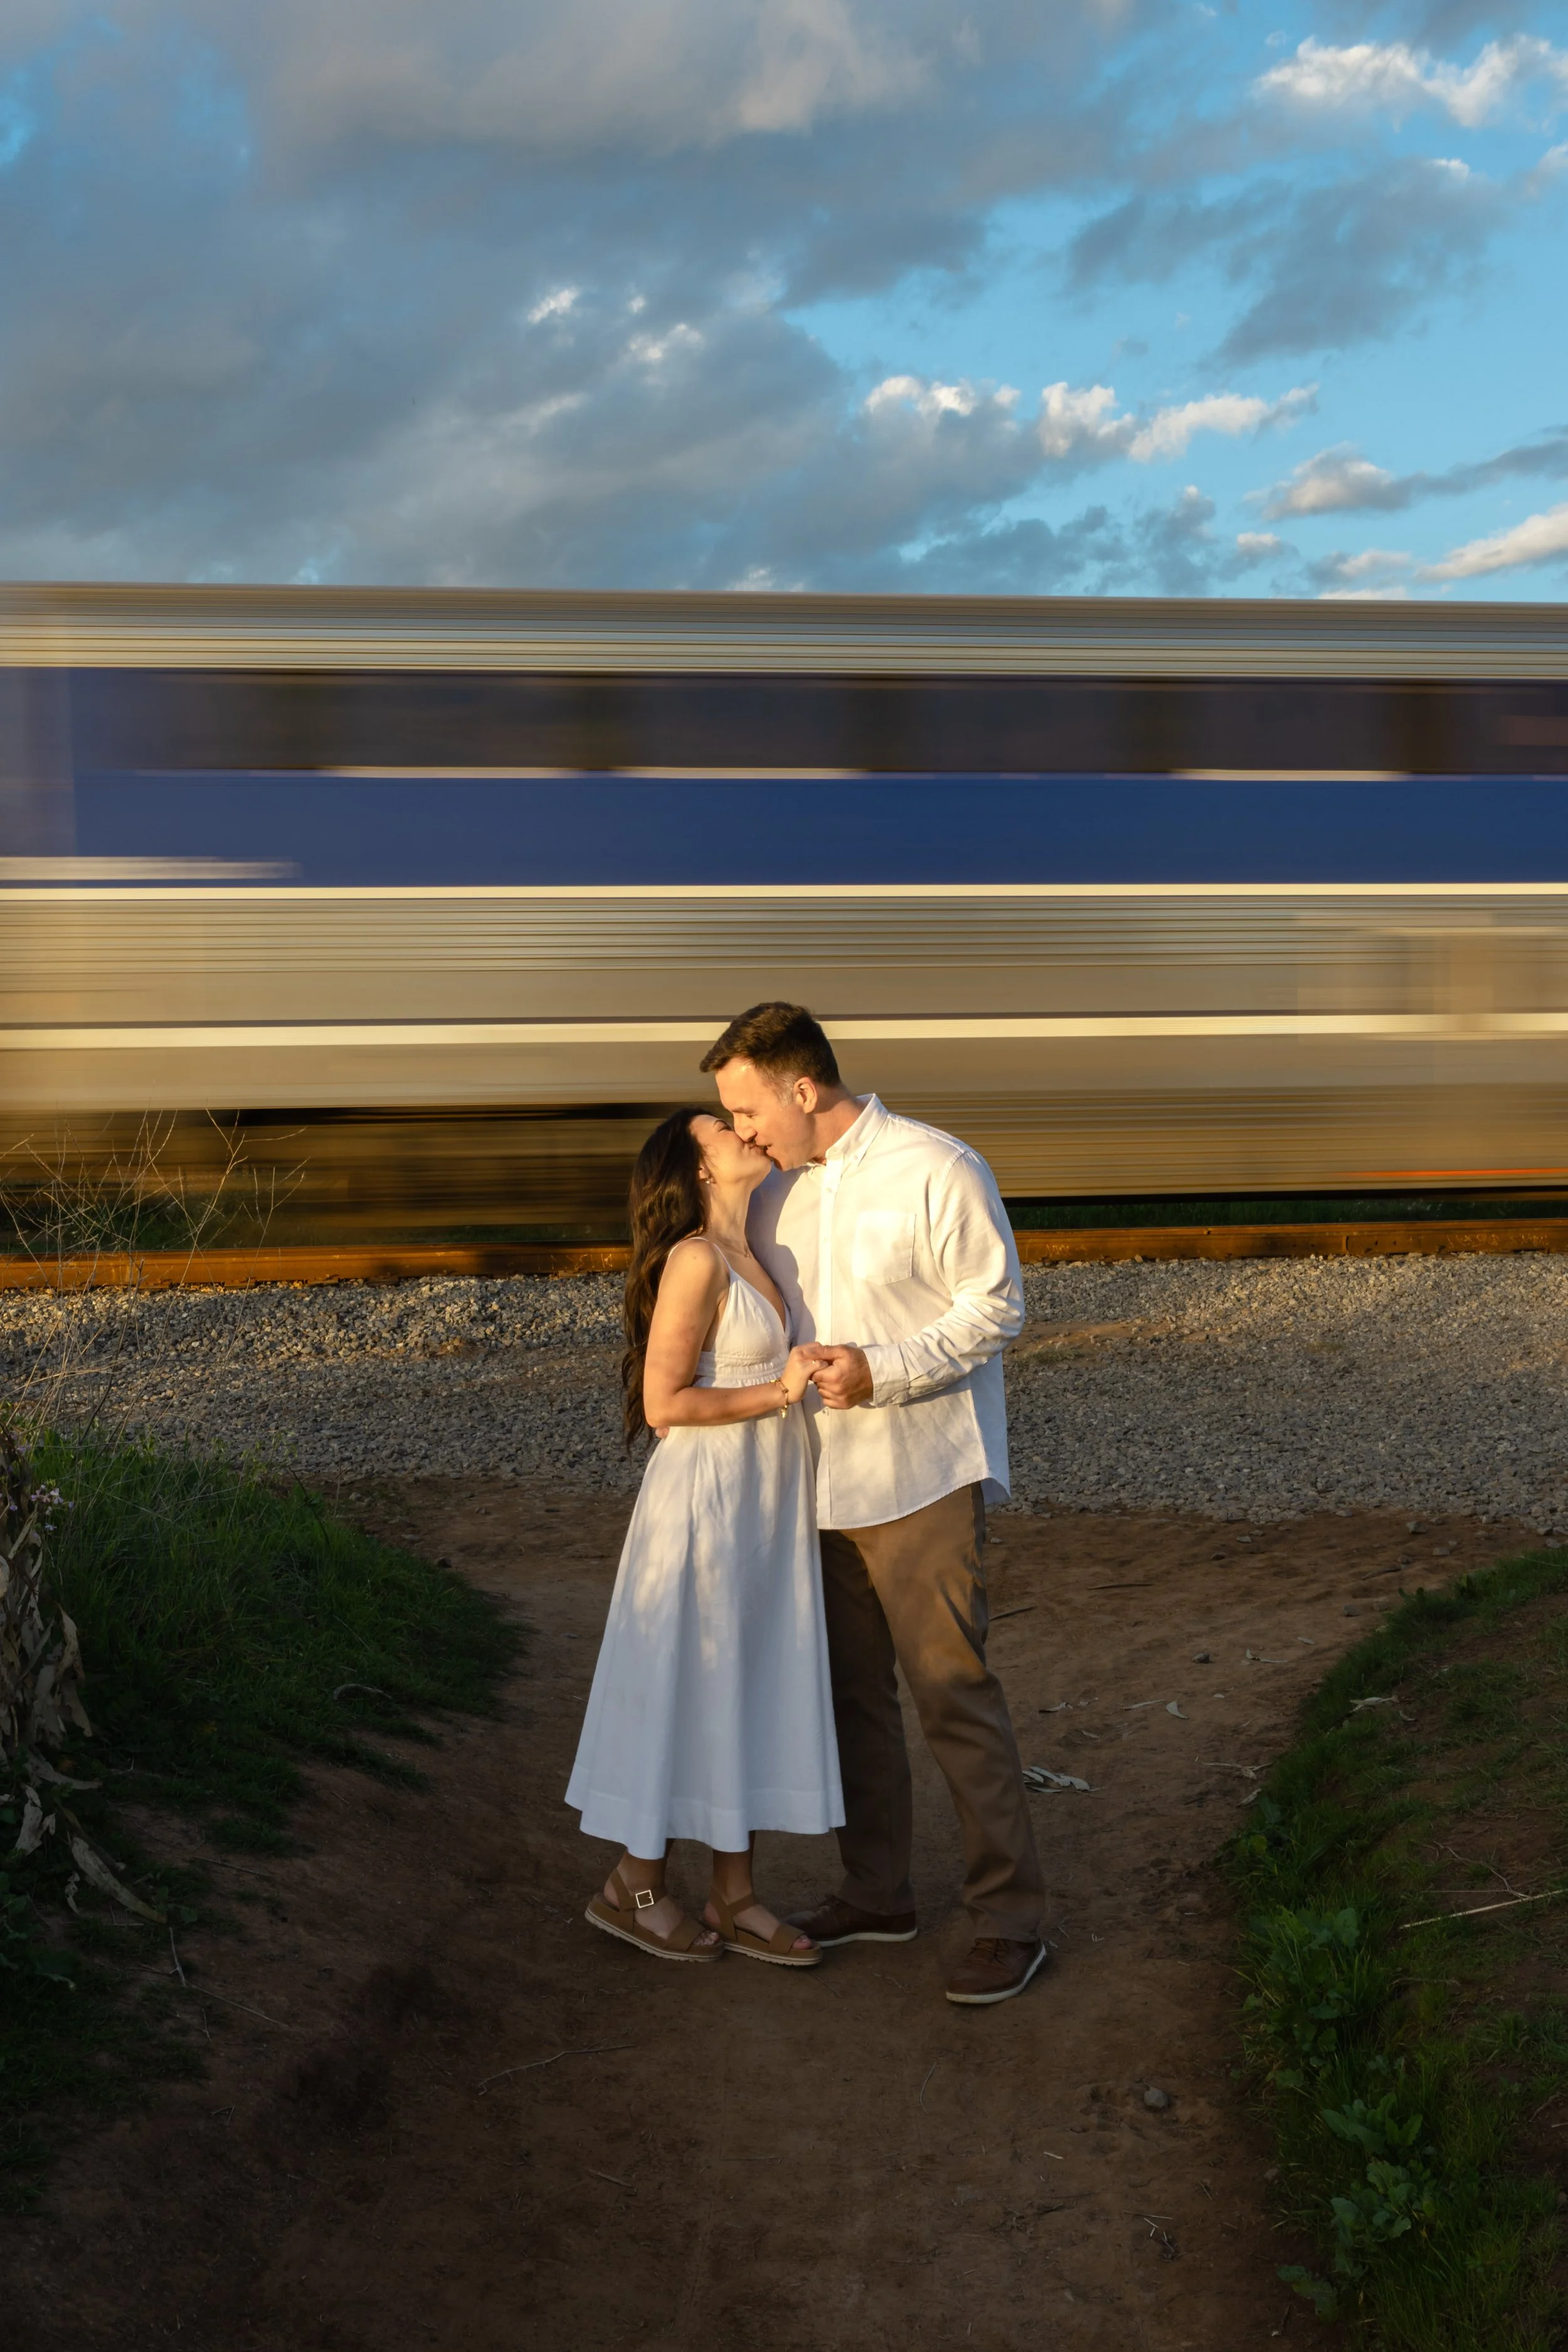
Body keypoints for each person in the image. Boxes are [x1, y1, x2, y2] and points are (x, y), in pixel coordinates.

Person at [701, 1004, 1046, 2006]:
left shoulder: (939, 1166)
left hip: (921, 1471)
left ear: (802, 1087)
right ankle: (877, 1889)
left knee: (950, 1691)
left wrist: (881, 1370)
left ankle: (1011, 1917)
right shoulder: (773, 1191)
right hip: (809, 1481)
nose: (744, 1129)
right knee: (852, 1697)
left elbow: (997, 1304)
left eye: (748, 1107)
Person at [566, 1106, 843, 1967]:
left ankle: (735, 1892)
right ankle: (634, 1885)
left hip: (760, 1498)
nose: (741, 1131)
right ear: (698, 1172)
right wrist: (779, 1392)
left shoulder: (752, 1252)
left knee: (743, 1682)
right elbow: (664, 1404)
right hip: (708, 1501)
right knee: (695, 1676)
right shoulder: (695, 1260)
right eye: (722, 1129)